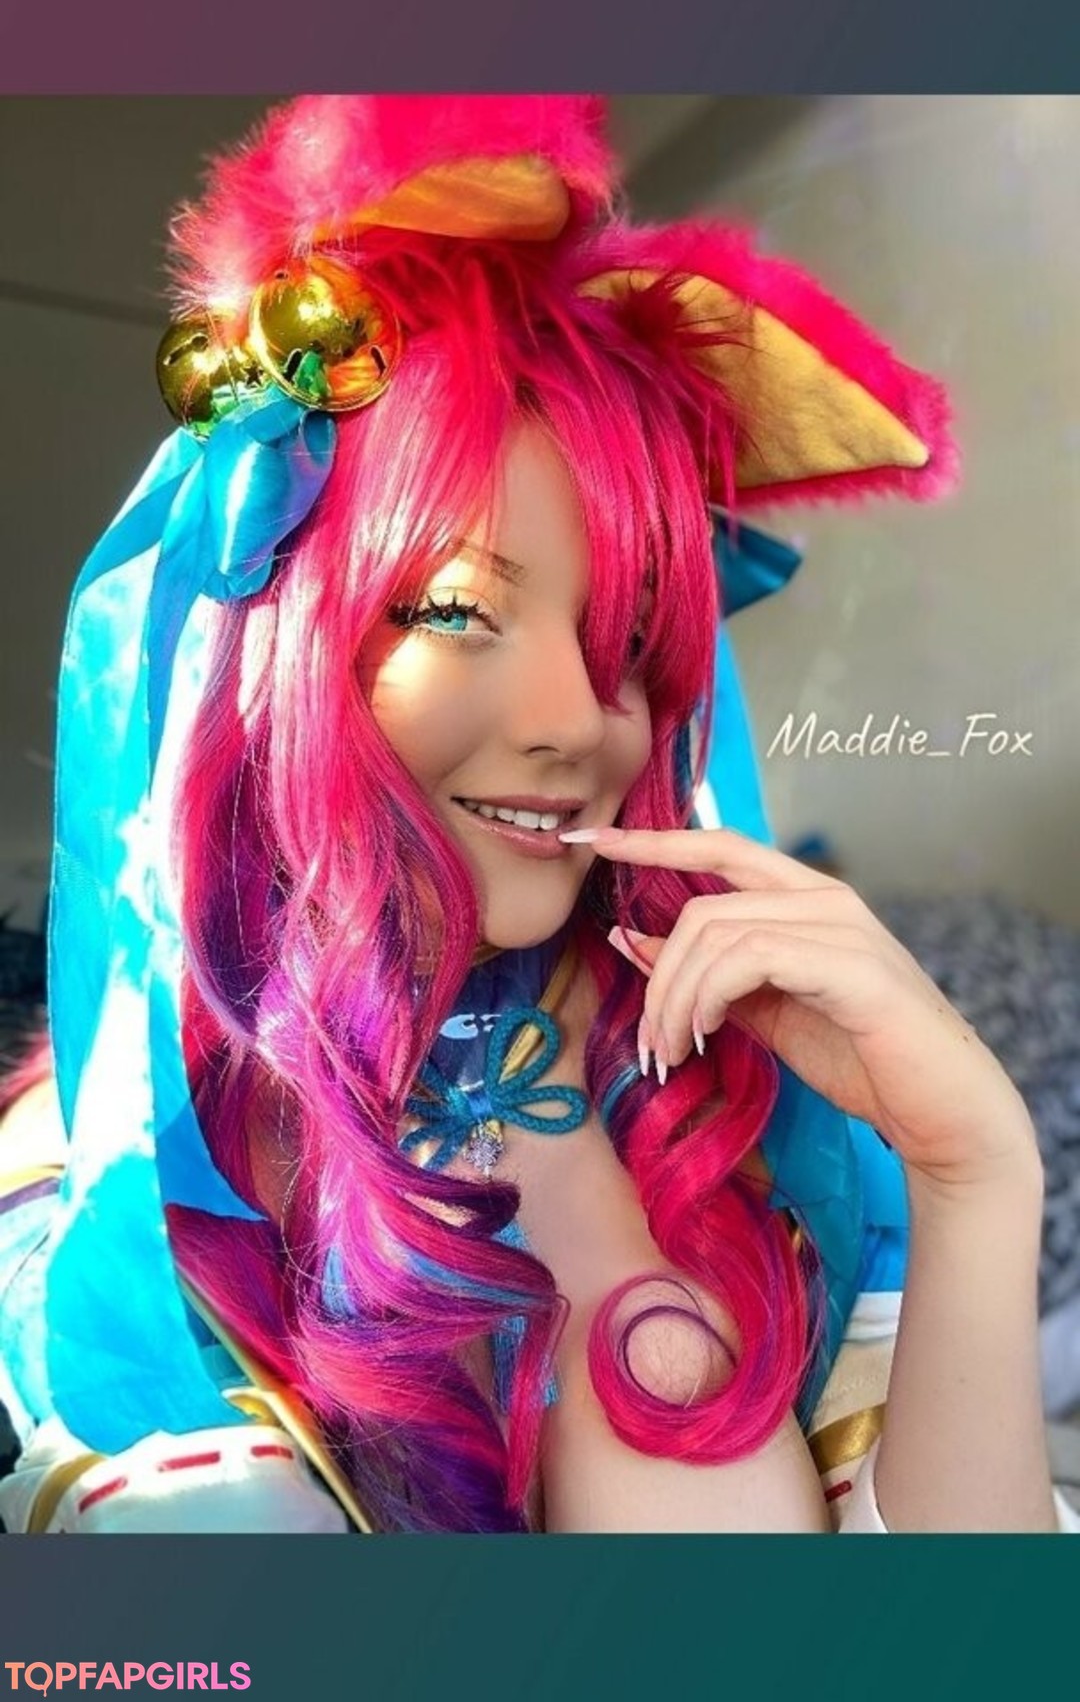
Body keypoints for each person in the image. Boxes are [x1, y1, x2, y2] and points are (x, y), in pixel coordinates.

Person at [0, 94, 1072, 1533]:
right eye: (457, 611)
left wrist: (977, 1176)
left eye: (624, 637)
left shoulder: (749, 1112)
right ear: (273, 648)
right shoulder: (103, 1193)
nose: (575, 719)